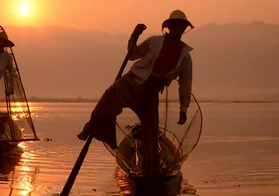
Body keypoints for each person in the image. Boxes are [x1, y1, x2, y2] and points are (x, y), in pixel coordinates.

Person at [77, 10, 194, 176]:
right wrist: (135, 35)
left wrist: (183, 109)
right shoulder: (154, 41)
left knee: (151, 135)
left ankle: (150, 172)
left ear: (184, 29)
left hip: (151, 93)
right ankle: (94, 129)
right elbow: (132, 55)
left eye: (181, 26)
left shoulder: (185, 56)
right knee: (109, 97)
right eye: (175, 25)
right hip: (133, 81)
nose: (178, 29)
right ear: (168, 27)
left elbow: (185, 84)